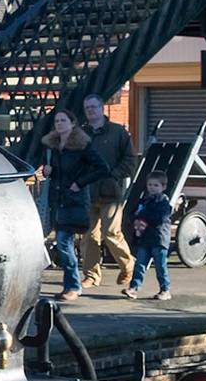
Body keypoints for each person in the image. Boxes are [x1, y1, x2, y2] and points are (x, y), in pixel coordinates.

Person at [76, 95, 136, 288]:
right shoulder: (80, 134)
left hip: (110, 192)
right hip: (87, 192)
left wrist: (112, 175)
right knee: (88, 236)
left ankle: (128, 264)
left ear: (102, 108)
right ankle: (91, 276)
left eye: (93, 107)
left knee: (111, 232)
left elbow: (130, 161)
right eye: (87, 108)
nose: (90, 111)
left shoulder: (118, 133)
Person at [40, 109, 95, 300]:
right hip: (57, 200)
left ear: (73, 123)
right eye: (57, 121)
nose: (59, 124)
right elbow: (52, 171)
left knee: (64, 242)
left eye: (63, 120)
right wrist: (47, 171)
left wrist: (78, 184)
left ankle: (73, 286)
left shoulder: (82, 146)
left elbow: (99, 167)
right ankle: (71, 285)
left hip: (73, 201)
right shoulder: (52, 146)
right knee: (63, 242)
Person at [122, 171, 175, 300]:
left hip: (159, 238)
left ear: (163, 187)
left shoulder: (163, 203)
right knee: (139, 264)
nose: (152, 187)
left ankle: (165, 289)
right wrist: (135, 218)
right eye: (150, 184)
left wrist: (142, 215)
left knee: (160, 266)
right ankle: (133, 288)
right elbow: (133, 213)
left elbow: (160, 218)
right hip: (144, 237)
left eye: (156, 185)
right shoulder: (144, 200)